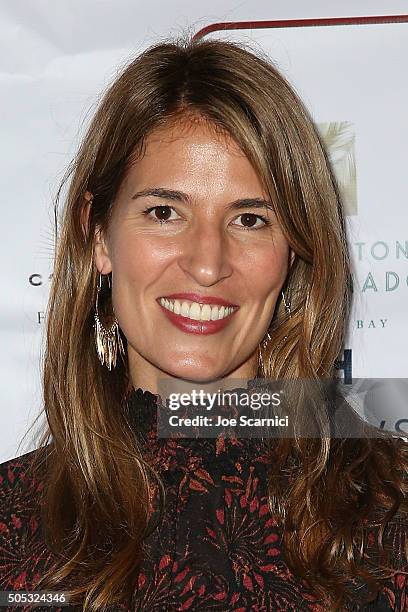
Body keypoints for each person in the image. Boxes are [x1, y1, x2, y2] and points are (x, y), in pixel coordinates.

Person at [0, 35, 407, 612]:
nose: (208, 263)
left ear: (294, 248)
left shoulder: (393, 510)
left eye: (249, 218)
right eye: (164, 213)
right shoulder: (11, 520)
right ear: (97, 233)